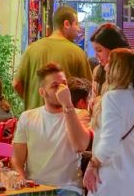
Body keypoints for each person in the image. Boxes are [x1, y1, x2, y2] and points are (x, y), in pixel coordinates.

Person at [82, 49, 134, 195]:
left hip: (113, 182)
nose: (105, 67)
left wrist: (92, 165)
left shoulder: (113, 97)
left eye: (110, 63)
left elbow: (109, 143)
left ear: (119, 69)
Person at [12, 63, 89, 196]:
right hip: (35, 186)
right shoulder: (27, 117)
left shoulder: (80, 114)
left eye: (64, 84)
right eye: (55, 86)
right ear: (42, 92)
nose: (61, 90)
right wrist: (21, 177)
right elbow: (17, 159)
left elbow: (80, 145)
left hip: (68, 187)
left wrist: (68, 105)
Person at [14, 7, 92, 110]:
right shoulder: (77, 53)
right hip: (64, 120)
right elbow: (88, 89)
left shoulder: (32, 49)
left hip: (33, 118)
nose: (79, 29)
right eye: (76, 24)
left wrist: (31, 101)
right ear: (67, 24)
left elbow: (16, 84)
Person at [90, 23, 131, 99]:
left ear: (114, 49)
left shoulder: (131, 72)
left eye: (99, 50)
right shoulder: (98, 71)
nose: (96, 55)